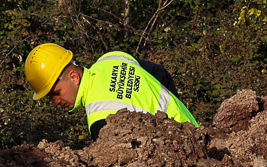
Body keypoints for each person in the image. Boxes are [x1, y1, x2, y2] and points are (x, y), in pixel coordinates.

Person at [24, 42, 199, 130]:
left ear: (73, 77)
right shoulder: (113, 58)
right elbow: (161, 74)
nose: (55, 102)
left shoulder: (98, 117)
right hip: (198, 136)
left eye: (55, 93)